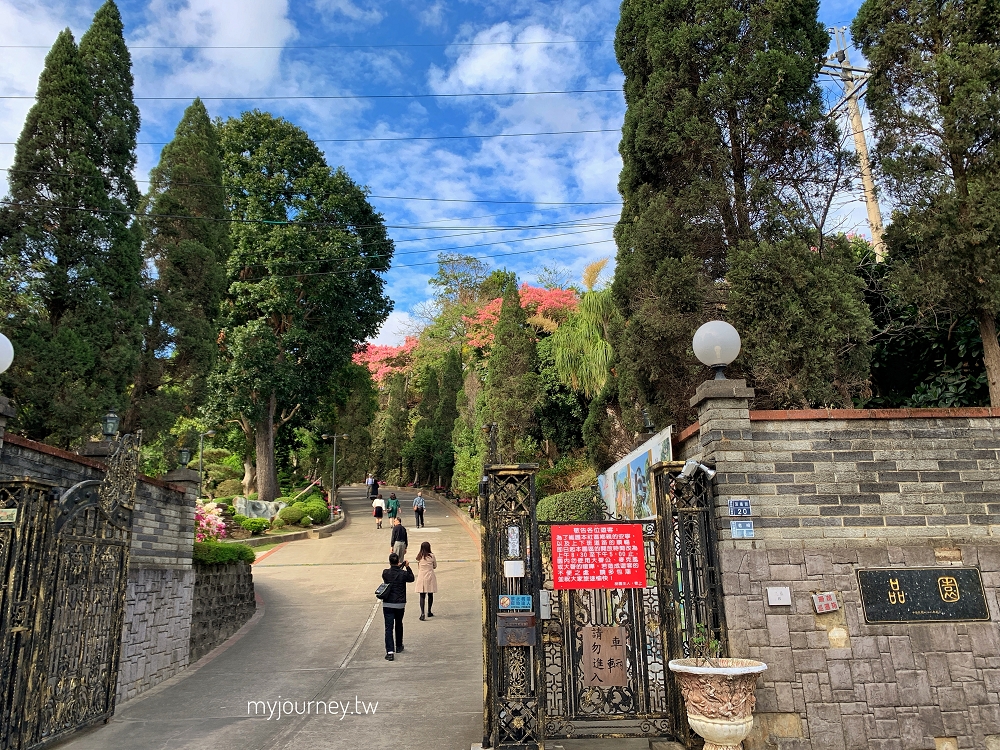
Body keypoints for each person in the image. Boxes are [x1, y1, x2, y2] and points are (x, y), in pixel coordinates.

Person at [381, 553, 414, 661]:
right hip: (400, 604)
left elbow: (393, 572)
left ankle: (390, 652)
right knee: (399, 623)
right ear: (398, 561)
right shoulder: (403, 574)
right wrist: (406, 566)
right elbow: (411, 578)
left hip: (388, 604)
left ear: (389, 562)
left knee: (388, 628)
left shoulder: (385, 573)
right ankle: (399, 646)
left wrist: (398, 566)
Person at [414, 541, 438, 620]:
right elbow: (435, 566)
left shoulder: (419, 556)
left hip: (422, 577)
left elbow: (419, 567)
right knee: (430, 595)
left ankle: (422, 613)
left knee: (422, 596)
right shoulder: (432, 556)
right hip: (430, 576)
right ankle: (429, 611)